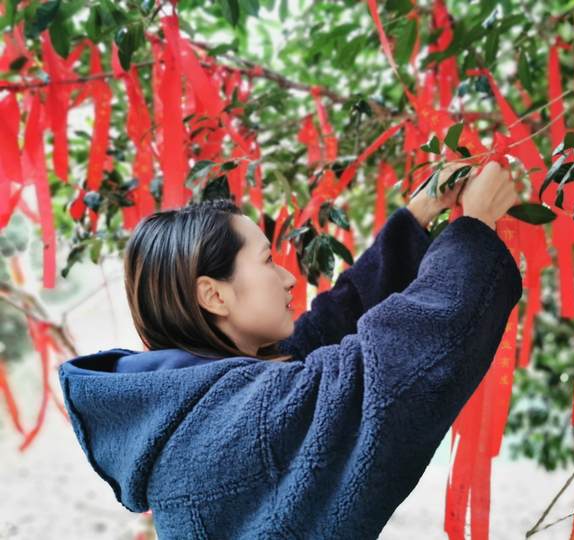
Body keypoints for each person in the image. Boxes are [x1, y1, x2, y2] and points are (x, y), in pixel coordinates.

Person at [57, 160, 522, 539]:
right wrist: (474, 231)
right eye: (266, 261)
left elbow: (323, 333)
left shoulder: (191, 400)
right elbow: (376, 374)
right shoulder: (236, 421)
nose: (287, 277)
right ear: (214, 295)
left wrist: (416, 217)